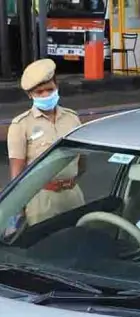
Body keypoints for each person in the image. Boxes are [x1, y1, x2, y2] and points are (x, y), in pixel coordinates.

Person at [6, 58, 85, 226]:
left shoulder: (72, 118)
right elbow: (17, 174)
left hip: (73, 195)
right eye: (39, 92)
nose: (45, 95)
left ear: (57, 87)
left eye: (49, 89)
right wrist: (17, 211)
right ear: (30, 95)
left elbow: (82, 161)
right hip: (41, 199)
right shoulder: (21, 125)